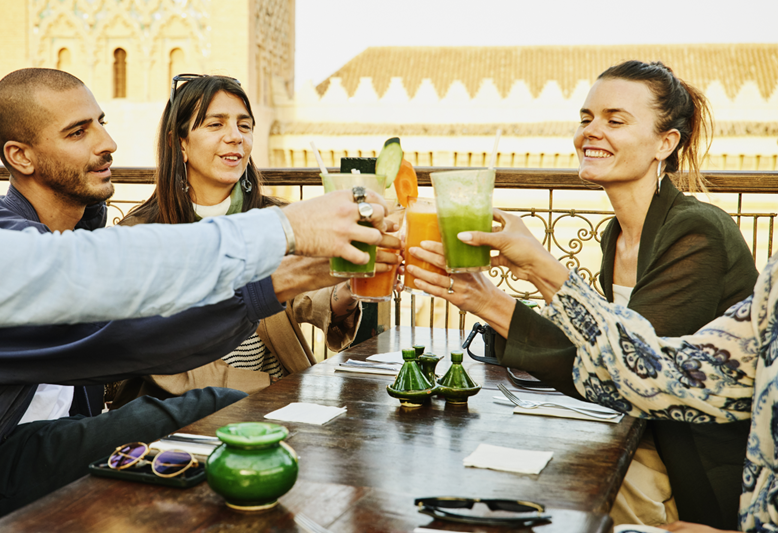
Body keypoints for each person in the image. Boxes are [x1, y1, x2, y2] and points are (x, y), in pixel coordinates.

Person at [0, 33, 388, 533]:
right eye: (78, 132)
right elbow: (124, 328)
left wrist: (317, 270)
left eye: (101, 123)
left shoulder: (80, 232)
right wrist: (287, 234)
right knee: (217, 412)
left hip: (16, 453)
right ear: (21, 157)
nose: (108, 143)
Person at [407, 61, 757, 529]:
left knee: (518, 493)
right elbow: (599, 350)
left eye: (615, 120)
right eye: (586, 118)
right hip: (634, 437)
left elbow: (626, 372)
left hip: (690, 469)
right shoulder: (618, 235)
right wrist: (483, 299)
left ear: (665, 143)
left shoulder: (697, 232)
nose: (591, 131)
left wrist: (531, 270)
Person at [430, 207, 778, 533]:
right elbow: (665, 372)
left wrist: (537, 270)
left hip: (689, 462)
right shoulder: (772, 284)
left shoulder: (696, 229)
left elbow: (644, 375)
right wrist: (498, 293)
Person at [110, 74, 399, 404]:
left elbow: (300, 291)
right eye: (216, 124)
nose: (236, 136)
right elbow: (161, 358)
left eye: (244, 126)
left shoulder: (275, 218)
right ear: (181, 143)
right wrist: (270, 386)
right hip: (185, 411)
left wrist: (346, 291)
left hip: (277, 405)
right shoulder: (141, 234)